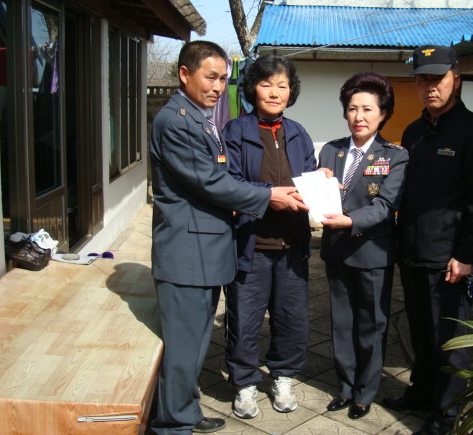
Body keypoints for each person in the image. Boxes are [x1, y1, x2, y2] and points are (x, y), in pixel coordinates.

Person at [149, 41, 307, 435]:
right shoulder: (177, 121)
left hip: (209, 251)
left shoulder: (199, 118)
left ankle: (185, 412)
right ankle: (172, 424)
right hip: (188, 253)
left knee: (195, 344)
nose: (218, 86)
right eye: (210, 77)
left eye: (222, 78)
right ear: (185, 74)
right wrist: (268, 195)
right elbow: (212, 182)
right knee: (184, 347)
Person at [381, 45, 473, 435]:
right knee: (419, 332)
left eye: (437, 79)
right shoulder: (414, 132)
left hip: (449, 260)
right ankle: (421, 392)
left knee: (449, 340)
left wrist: (466, 254)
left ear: (456, 79)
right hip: (412, 252)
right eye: (422, 80)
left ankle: (448, 415)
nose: (430, 87)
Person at [221, 55, 316, 418]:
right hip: (251, 244)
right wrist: (268, 196)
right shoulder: (235, 131)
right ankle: (245, 382)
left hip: (292, 246)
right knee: (244, 320)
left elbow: (307, 178)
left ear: (291, 91)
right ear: (252, 89)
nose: (275, 93)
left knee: (292, 318)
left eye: (282, 85)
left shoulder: (298, 133)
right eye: (266, 84)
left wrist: (320, 181)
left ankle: (283, 376)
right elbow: (229, 184)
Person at [319, 72, 408, 420]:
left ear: (382, 114)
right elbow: (320, 196)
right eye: (353, 108)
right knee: (342, 323)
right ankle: (345, 386)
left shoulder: (396, 156)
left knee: (372, 324)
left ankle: (365, 392)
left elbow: (385, 206)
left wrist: (350, 220)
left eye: (368, 109)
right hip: (337, 250)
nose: (359, 116)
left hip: (373, 252)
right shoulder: (331, 150)